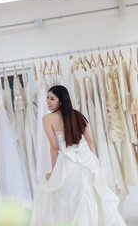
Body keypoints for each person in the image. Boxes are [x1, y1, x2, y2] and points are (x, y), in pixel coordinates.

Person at [31, 85, 127, 226]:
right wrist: (89, 160)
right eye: (47, 97)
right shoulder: (78, 116)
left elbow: (54, 147)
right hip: (85, 164)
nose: (48, 101)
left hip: (66, 165)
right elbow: (90, 141)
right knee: (88, 199)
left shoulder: (47, 119)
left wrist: (54, 172)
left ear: (61, 101)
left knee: (66, 202)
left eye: (52, 98)